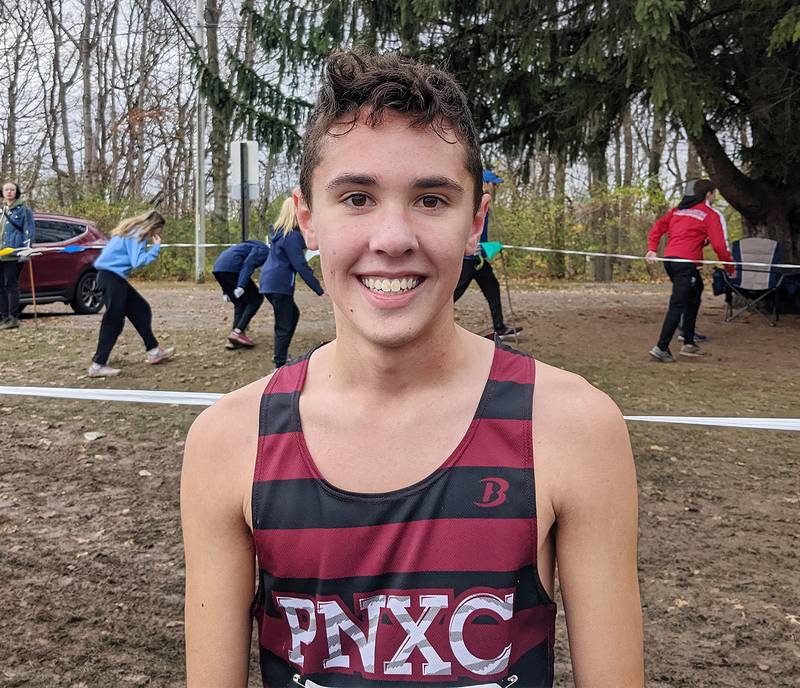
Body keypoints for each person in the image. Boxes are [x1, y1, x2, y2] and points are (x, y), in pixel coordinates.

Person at [182, 50, 643, 688]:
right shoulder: (228, 441)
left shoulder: (572, 426)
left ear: (474, 220)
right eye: (357, 197)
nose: (393, 237)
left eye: (430, 198)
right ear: (308, 220)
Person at [645, 178, 734, 362]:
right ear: (708, 195)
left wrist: (653, 248)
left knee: (695, 292)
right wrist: (730, 268)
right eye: (714, 193)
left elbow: (658, 227)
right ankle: (661, 347)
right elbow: (719, 246)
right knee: (678, 303)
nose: (715, 197)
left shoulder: (678, 211)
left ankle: (688, 342)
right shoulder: (710, 214)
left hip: (671, 261)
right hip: (685, 263)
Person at [87, 209, 174, 377]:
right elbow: (138, 261)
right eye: (157, 231)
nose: (156, 234)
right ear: (153, 226)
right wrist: (155, 249)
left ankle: (154, 350)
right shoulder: (137, 235)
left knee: (141, 309)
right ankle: (98, 364)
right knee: (114, 320)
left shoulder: (127, 231)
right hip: (112, 278)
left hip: (111, 277)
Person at [453, 169, 519, 339]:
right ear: (483, 183)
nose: (496, 187)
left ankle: (500, 327)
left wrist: (488, 251)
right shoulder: (469, 202)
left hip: (479, 258)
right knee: (453, 293)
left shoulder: (484, 204)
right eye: (493, 183)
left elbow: (482, 234)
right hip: (467, 258)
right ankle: (427, 323)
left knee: (493, 288)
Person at [259, 197, 325, 368]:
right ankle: (279, 363)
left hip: (268, 282)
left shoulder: (279, 234)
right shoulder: (291, 236)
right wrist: (318, 288)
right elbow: (300, 265)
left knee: (291, 315)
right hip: (279, 284)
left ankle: (281, 355)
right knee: (284, 323)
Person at [212, 239, 269, 349]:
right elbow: (249, 263)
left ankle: (233, 340)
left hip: (218, 267)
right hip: (233, 269)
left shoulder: (245, 246)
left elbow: (226, 263)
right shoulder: (265, 250)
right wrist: (241, 285)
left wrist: (225, 291)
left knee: (240, 303)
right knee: (256, 298)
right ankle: (238, 332)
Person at [0, 181, 34, 331]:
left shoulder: (23, 209)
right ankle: (4, 316)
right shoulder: (2, 209)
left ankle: (13, 318)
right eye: (6, 189)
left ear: (16, 192)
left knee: (10, 286)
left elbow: (29, 230)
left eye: (12, 190)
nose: (9, 192)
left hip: (13, 253)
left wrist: (26, 251)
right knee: (1, 287)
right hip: (0, 253)